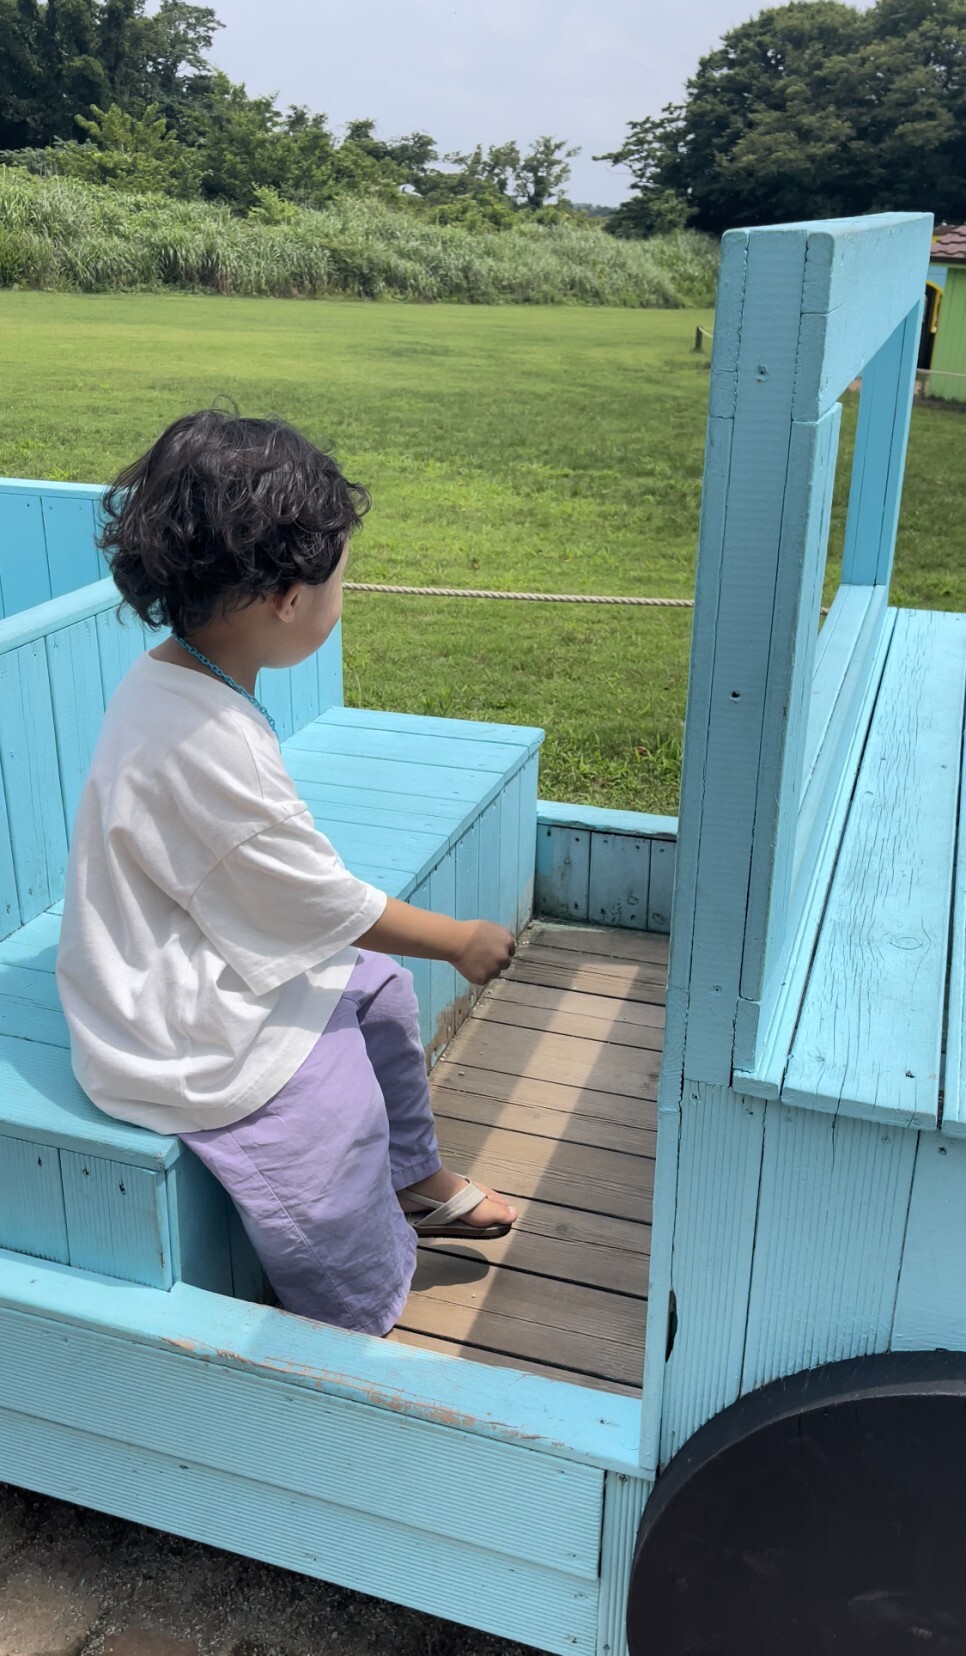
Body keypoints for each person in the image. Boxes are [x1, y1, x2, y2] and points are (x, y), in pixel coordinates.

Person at [55, 409, 517, 1338]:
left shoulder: (172, 674)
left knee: (377, 991)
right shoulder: (207, 741)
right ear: (284, 597)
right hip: (174, 1029)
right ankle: (360, 1315)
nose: (345, 593)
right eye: (341, 577)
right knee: (328, 1117)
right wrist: (460, 941)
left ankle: (414, 1180)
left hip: (188, 950)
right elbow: (317, 902)